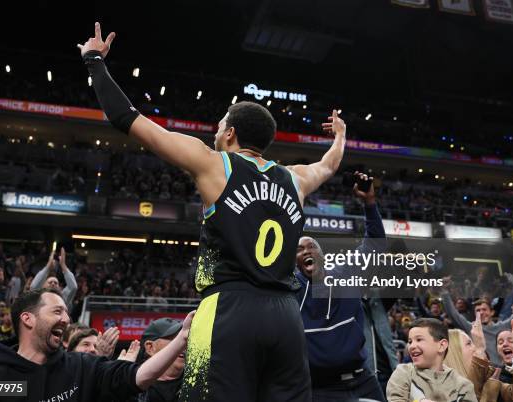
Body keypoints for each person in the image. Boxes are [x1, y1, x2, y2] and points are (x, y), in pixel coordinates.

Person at [78, 22, 346, 402]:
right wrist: (340, 135)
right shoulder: (295, 179)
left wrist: (94, 62)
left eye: (220, 126)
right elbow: (330, 165)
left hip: (227, 308)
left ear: (232, 133)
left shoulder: (214, 164)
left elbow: (128, 118)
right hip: (287, 315)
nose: (215, 132)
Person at [0, 288, 195, 402]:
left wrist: (180, 340)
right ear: (28, 319)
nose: (66, 319)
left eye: (66, 312)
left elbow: (139, 377)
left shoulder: (82, 367)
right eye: (57, 311)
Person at [295, 173, 387, 401]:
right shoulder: (290, 289)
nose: (307, 251)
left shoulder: (346, 274)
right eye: (299, 249)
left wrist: (369, 203)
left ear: (322, 256)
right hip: (319, 388)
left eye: (312, 247)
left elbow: (375, 245)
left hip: (362, 380)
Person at [443, 310, 513, 402]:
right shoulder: (445, 389)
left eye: (473, 342)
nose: (475, 347)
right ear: (455, 353)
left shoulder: (489, 377)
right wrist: (480, 351)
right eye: (469, 343)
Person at [386, 318, 477, 402]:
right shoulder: (403, 373)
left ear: (442, 346)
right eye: (410, 341)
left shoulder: (463, 386)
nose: (412, 346)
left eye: (419, 339)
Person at [136, 318, 186, 402]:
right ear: (150, 347)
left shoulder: (199, 383)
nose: (183, 345)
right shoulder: (131, 389)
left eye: (184, 339)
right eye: (174, 340)